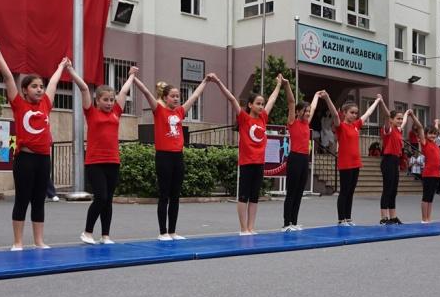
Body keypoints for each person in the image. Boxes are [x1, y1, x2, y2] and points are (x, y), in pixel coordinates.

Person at [0, 39, 67, 250]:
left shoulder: (46, 102)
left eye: (41, 87)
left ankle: (39, 241)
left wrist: (61, 67)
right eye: (34, 87)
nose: (39, 90)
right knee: (23, 199)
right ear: (25, 90)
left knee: (39, 200)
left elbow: (54, 83)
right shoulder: (19, 104)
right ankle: (18, 241)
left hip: (44, 158)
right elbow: (8, 77)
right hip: (25, 158)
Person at [67, 62, 138, 244]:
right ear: (97, 100)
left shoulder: (116, 112)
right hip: (95, 162)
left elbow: (123, 92)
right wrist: (70, 71)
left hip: (113, 161)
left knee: (108, 200)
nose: (109, 103)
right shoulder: (90, 112)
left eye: (111, 100)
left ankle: (105, 235)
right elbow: (83, 88)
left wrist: (131, 76)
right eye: (105, 100)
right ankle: (87, 232)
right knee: (101, 196)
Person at [134, 74, 209, 240]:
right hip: (163, 157)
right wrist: (134, 77)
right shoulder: (159, 111)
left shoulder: (180, 112)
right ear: (165, 98)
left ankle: (173, 231)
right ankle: (163, 232)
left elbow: (195, 96)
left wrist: (204, 81)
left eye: (178, 96)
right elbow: (146, 92)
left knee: (175, 195)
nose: (176, 99)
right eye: (173, 96)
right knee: (164, 195)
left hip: (178, 157)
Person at [210, 73, 283, 235]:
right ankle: (243, 228)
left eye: (262, 104)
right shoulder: (243, 118)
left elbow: (272, 100)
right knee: (243, 196)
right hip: (247, 162)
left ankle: (251, 227)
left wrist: (279, 84)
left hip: (259, 163)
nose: (261, 106)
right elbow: (232, 99)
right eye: (258, 104)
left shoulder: (263, 118)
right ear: (250, 105)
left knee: (254, 197)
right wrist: (218, 81)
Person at [323, 92, 382, 225]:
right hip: (345, 164)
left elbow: (367, 114)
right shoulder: (341, 126)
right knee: (344, 191)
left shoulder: (355, 126)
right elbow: (334, 113)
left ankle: (348, 218)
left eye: (356, 113)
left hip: (356, 164)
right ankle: (341, 219)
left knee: (351, 192)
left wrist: (377, 101)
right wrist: (327, 98)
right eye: (352, 112)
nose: (355, 115)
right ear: (344, 113)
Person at [282, 82, 322, 231]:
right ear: (298, 112)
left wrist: (317, 96)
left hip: (305, 158)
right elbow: (291, 101)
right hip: (295, 158)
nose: (307, 113)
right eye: (305, 111)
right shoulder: (293, 122)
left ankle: (294, 222)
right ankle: (286, 223)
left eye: (308, 112)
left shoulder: (306, 123)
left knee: (299, 192)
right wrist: (286, 85)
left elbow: (314, 107)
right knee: (292, 192)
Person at [377, 101, 410, 224]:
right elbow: (387, 115)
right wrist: (381, 102)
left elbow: (404, 122)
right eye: (398, 118)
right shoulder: (388, 129)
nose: (400, 121)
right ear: (391, 120)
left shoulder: (398, 130)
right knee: (387, 189)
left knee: (394, 190)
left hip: (395, 160)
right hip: (388, 160)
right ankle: (383, 217)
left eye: (401, 119)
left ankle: (393, 216)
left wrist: (407, 113)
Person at [409, 115, 440, 223]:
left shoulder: (436, 144)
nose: (433, 135)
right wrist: (413, 116)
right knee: (426, 197)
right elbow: (419, 127)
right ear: (426, 134)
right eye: (430, 133)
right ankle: (424, 219)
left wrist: (437, 123)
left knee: (431, 198)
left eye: (434, 134)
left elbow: (437, 131)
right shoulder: (425, 143)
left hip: (436, 174)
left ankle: (428, 218)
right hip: (428, 174)